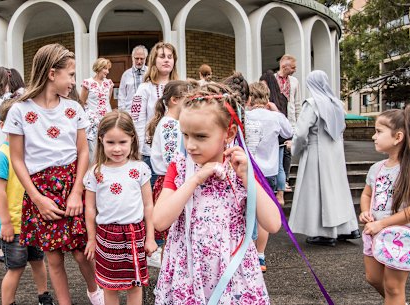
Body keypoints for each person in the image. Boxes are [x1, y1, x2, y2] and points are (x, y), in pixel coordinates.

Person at [153, 83, 281, 303]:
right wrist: (195, 179)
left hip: (233, 271)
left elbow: (272, 223)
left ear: (229, 132)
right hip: (188, 271)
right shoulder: (181, 167)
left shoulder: (241, 168)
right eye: (185, 135)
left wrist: (248, 179)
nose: (190, 145)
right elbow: (160, 220)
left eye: (200, 137)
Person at [3, 43, 103, 305]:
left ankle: (96, 294)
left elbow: (83, 152)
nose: (73, 81)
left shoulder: (74, 109)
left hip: (72, 183)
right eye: (70, 74)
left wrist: (77, 191)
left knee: (82, 253)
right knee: (54, 258)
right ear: (51, 73)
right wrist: (36, 198)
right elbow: (17, 158)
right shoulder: (20, 110)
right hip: (40, 188)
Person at [83, 110, 157, 305]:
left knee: (135, 285)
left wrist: (150, 237)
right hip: (106, 235)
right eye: (111, 143)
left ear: (132, 139)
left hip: (135, 233)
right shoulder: (95, 172)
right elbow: (89, 209)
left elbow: (149, 205)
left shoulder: (139, 169)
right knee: (110, 286)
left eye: (122, 142)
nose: (117, 149)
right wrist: (91, 239)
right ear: (101, 140)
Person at [0, 100, 55, 305]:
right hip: (14, 225)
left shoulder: (33, 151)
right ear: (2, 125)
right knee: (15, 268)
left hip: (34, 222)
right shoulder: (1, 155)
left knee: (38, 261)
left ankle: (44, 296)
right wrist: (5, 223)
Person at [287, 70, 360, 247]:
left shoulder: (312, 104)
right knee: (338, 190)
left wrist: (294, 146)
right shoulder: (337, 103)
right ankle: (348, 228)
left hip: (316, 153)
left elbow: (302, 131)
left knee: (318, 192)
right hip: (335, 154)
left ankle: (326, 234)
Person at [360, 107, 410, 305]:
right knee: (373, 278)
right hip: (373, 232)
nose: (374, 136)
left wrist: (382, 224)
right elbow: (366, 193)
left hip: (399, 235)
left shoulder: (406, 170)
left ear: (398, 137)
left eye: (379, 131)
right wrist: (365, 210)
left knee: (393, 287)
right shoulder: (376, 168)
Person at [245, 82, 292, 273]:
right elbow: (289, 133)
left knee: (247, 212)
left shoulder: (245, 115)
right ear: (267, 98)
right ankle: (260, 255)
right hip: (270, 171)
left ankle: (247, 254)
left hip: (248, 169)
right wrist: (277, 110)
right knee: (263, 214)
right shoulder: (275, 117)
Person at [146, 80, 189, 267]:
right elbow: (173, 158)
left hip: (172, 180)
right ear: (174, 100)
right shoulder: (170, 125)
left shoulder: (171, 123)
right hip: (169, 182)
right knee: (170, 238)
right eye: (187, 101)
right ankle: (166, 280)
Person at [131, 42, 179, 186]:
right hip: (150, 154)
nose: (166, 60)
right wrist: (136, 152)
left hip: (177, 153)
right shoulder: (144, 88)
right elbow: (137, 121)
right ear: (154, 61)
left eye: (170, 57)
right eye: (162, 56)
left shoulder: (181, 87)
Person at [260, 70, 289, 204]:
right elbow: (285, 117)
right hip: (280, 136)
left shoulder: (267, 101)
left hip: (270, 136)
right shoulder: (282, 98)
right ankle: (280, 195)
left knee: (276, 167)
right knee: (280, 167)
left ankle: (275, 194)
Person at [275, 55, 301, 193]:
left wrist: (297, 124)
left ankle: (285, 180)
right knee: (276, 152)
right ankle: (276, 181)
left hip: (290, 121)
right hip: (276, 121)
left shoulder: (295, 82)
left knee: (287, 153)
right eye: (293, 67)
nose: (295, 70)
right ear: (284, 67)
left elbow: (297, 104)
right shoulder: (272, 79)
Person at [80, 58, 114, 161]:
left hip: (107, 119)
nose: (107, 72)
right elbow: (82, 102)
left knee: (107, 142)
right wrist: (90, 116)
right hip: (92, 120)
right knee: (93, 146)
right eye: (105, 68)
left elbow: (107, 100)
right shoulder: (88, 83)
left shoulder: (109, 83)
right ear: (98, 68)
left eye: (108, 69)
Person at [118, 45, 148, 112]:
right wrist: (122, 112)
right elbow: (121, 95)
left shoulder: (150, 73)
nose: (139, 61)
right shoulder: (126, 74)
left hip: (146, 111)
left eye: (142, 58)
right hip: (129, 111)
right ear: (132, 58)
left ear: (145, 58)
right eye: (137, 58)